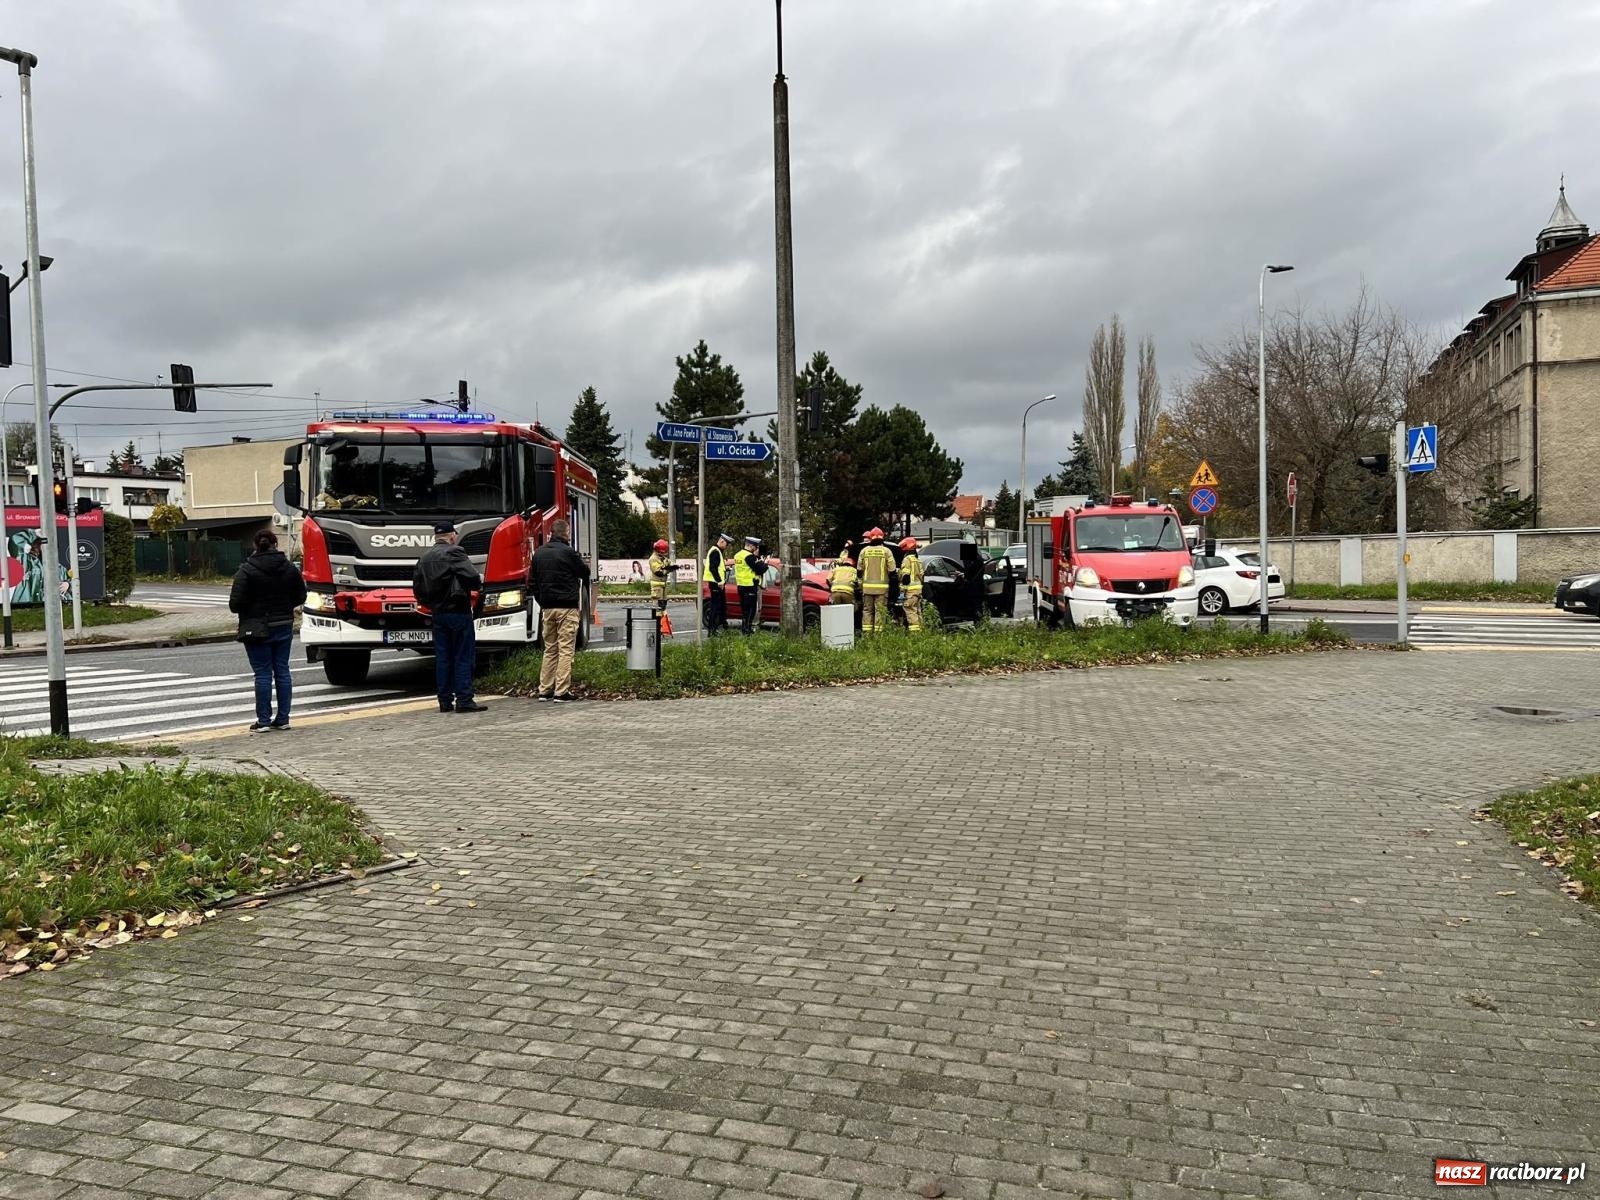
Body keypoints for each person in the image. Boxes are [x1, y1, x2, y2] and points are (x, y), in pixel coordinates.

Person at [229, 528, 307, 732]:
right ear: (276, 544)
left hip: (256, 629)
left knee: (263, 674)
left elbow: (235, 604)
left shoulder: (246, 570)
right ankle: (283, 719)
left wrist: (252, 608)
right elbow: (301, 596)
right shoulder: (289, 568)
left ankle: (263, 721)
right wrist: (284, 606)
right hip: (283, 625)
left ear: (256, 546)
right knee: (282, 671)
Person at [413, 520, 486, 714]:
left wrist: (432, 604)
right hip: (458, 611)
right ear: (452, 535)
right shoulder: (455, 552)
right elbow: (472, 578)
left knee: (443, 658)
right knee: (463, 656)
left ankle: (444, 702)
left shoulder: (425, 557)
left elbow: (417, 587)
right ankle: (464, 700)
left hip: (438, 614)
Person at [531, 517, 591, 702]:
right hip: (567, 607)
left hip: (547, 608)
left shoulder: (539, 553)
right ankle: (561, 691)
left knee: (550, 649)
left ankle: (545, 690)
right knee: (566, 649)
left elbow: (532, 583)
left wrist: (542, 601)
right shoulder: (569, 552)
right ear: (566, 533)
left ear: (551, 533)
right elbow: (584, 573)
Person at [857, 527, 896, 633]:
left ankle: (867, 635)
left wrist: (860, 584)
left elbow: (859, 571)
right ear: (882, 538)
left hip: (867, 589)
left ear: (870, 538)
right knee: (880, 611)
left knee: (867, 611)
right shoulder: (887, 551)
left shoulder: (863, 551)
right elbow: (892, 571)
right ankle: (879, 636)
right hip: (882, 590)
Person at [733, 535, 763, 635]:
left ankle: (744, 628)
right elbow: (760, 569)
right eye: (755, 546)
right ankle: (747, 630)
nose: (756, 548)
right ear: (750, 546)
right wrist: (765, 563)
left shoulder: (738, 555)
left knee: (745, 610)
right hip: (750, 586)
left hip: (741, 585)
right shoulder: (749, 556)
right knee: (751, 610)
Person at [702, 531, 731, 636]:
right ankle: (712, 630)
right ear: (722, 541)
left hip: (717, 583)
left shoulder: (717, 551)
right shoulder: (715, 551)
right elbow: (713, 568)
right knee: (715, 607)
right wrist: (719, 581)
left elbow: (718, 566)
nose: (726, 547)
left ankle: (720, 626)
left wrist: (726, 569)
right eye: (726, 544)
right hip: (715, 583)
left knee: (720, 605)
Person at [898, 537, 925, 631]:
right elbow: (922, 575)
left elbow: (906, 576)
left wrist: (903, 590)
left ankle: (915, 634)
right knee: (917, 610)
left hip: (910, 590)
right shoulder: (917, 560)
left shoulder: (907, 559)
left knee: (910, 610)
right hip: (918, 590)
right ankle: (921, 631)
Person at [647, 539, 674, 617]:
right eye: (663, 552)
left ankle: (663, 623)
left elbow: (668, 563)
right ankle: (657, 624)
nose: (665, 553)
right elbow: (659, 572)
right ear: (659, 551)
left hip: (663, 586)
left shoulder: (662, 558)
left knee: (663, 605)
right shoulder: (653, 559)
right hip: (657, 587)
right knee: (657, 607)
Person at [828, 543, 858, 611]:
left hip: (835, 593)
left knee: (836, 611)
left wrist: (832, 586)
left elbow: (828, 579)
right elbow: (858, 582)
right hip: (848, 593)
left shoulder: (836, 569)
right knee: (852, 610)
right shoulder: (854, 571)